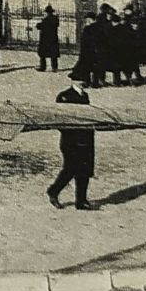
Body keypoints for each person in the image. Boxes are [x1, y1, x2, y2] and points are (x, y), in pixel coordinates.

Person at [48, 77, 97, 210]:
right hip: (71, 141)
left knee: (85, 170)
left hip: (86, 138)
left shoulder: (85, 96)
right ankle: (53, 191)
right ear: (73, 81)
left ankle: (81, 200)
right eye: (79, 79)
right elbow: (59, 119)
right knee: (70, 168)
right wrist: (72, 133)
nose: (83, 82)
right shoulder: (64, 96)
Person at [36, 6, 60, 72]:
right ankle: (54, 67)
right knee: (53, 54)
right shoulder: (55, 19)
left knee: (43, 54)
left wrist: (40, 23)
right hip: (53, 39)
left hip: (45, 39)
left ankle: (43, 67)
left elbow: (39, 26)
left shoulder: (46, 20)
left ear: (47, 12)